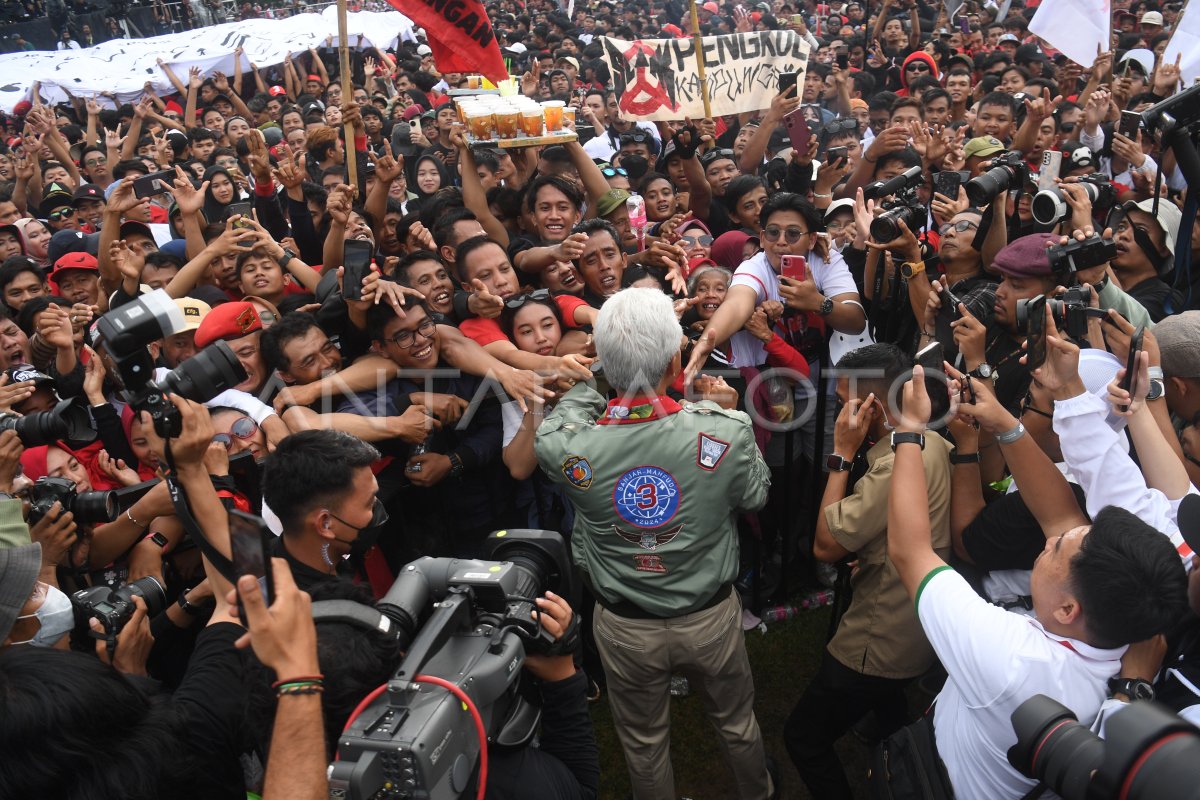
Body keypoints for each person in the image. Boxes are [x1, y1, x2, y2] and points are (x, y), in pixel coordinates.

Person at [535, 288, 776, 800]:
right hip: (709, 616)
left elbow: (565, 414)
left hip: (625, 624)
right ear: (674, 360)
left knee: (644, 744)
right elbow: (754, 496)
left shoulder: (567, 446)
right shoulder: (724, 430)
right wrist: (730, 418)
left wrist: (595, 373)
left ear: (606, 364)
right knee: (736, 723)